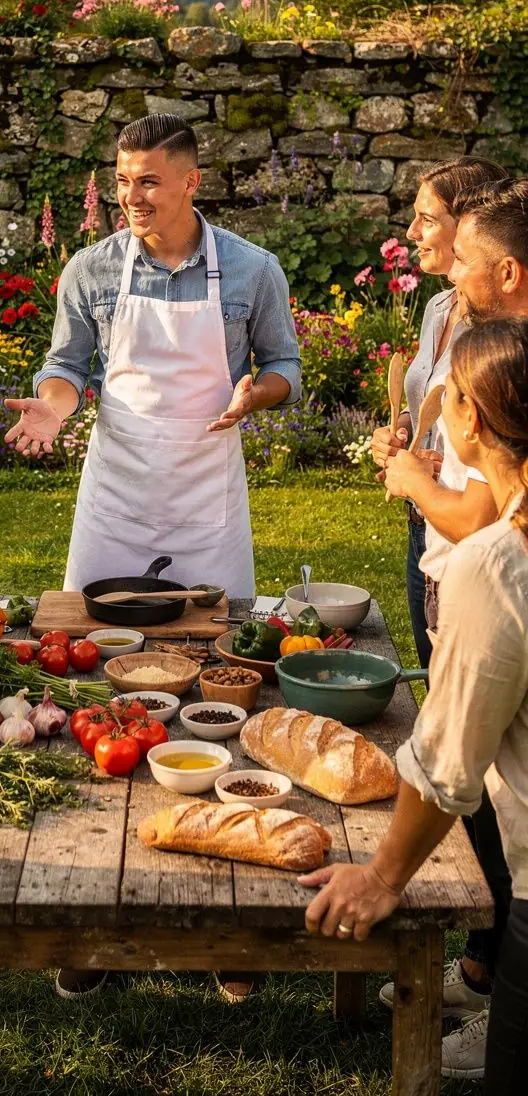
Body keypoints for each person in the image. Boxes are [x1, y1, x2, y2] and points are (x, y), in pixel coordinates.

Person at [5, 112, 301, 1000]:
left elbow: (284, 364)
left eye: (147, 181)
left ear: (190, 183)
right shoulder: (91, 268)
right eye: (122, 179)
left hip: (207, 491)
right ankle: (88, 919)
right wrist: (54, 407)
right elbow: (67, 364)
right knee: (94, 686)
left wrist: (259, 392)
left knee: (222, 682)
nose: (130, 197)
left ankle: (227, 925)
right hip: (119, 493)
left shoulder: (251, 269)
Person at [301, 316, 528, 1093]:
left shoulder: (494, 564)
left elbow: (449, 762)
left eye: (450, 393)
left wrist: (384, 878)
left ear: (471, 417)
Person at [370, 158, 506, 669]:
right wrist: (403, 433)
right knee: (433, 671)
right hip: (424, 521)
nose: (412, 232)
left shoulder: (498, 338)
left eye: (427, 218)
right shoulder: (439, 308)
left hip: (462, 517)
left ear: (468, 222)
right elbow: (427, 407)